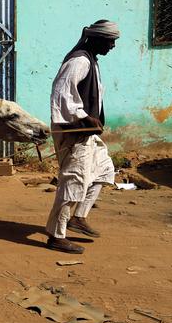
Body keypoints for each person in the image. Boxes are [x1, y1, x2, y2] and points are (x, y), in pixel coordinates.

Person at [45, 19, 119, 254]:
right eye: (110, 41)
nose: (112, 46)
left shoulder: (91, 60)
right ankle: (56, 235)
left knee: (104, 170)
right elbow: (61, 92)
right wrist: (84, 117)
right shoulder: (79, 60)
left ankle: (78, 217)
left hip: (87, 133)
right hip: (74, 132)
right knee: (73, 181)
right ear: (97, 39)